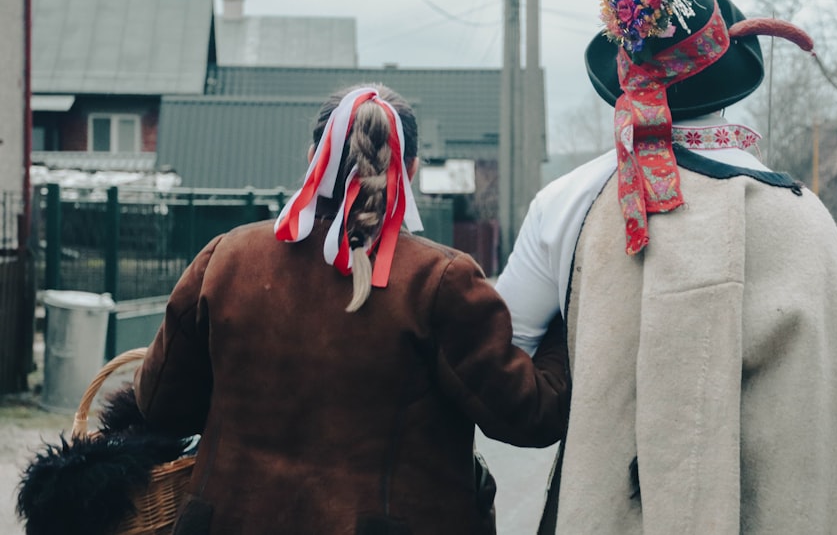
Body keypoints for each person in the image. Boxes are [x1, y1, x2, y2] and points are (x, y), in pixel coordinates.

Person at [495, 0, 837, 534]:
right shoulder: (810, 220)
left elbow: (503, 356)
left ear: (627, 79)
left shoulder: (569, 203)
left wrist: (591, 364)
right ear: (725, 84)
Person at [133, 84, 569, 535]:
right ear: (411, 169)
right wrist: (565, 312)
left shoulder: (225, 258)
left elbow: (161, 406)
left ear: (312, 158)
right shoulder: (441, 281)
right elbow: (530, 416)